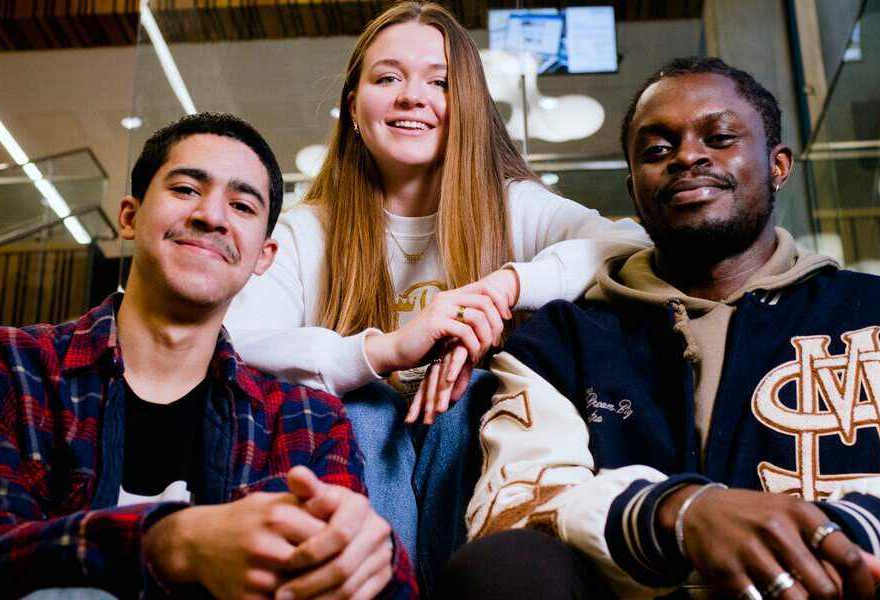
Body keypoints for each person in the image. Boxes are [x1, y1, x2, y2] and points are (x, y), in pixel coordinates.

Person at [448, 56, 880, 600]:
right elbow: (515, 506)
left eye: (718, 137)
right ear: (634, 191)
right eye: (657, 150)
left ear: (778, 166)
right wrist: (679, 514)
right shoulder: (561, 341)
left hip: (854, 585)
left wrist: (832, 534)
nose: (688, 155)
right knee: (502, 566)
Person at [0, 113, 415, 599]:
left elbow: (350, 581)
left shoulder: (305, 422)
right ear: (129, 216)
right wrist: (172, 542)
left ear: (264, 257)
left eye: (242, 206)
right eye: (186, 189)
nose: (211, 215)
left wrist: (378, 561)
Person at [223, 0, 650, 567]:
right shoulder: (307, 227)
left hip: (473, 451)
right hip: (353, 457)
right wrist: (381, 351)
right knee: (369, 411)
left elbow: (629, 244)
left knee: (470, 395)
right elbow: (235, 338)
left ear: (468, 105)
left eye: (440, 81)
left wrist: (506, 285)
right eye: (388, 77)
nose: (411, 96)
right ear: (353, 105)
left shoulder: (511, 205)